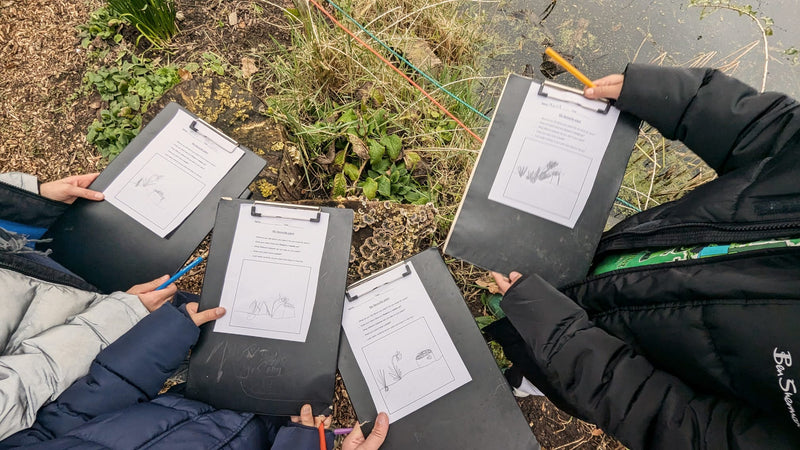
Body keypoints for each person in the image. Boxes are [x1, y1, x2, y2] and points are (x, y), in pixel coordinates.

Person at [485, 63, 800, 449]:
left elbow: (685, 430)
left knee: (546, 368)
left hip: (617, 361)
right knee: (550, 312)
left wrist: (561, 339)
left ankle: (529, 381)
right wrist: (676, 99)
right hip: (623, 260)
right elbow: (780, 134)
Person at [0, 299, 389, 449]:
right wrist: (302, 446)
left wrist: (165, 335)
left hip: (204, 393)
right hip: (278, 432)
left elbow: (67, 420)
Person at [0, 171, 179, 439]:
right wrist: (121, 317)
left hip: (40, 269)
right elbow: (14, 395)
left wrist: (31, 203)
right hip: (72, 336)